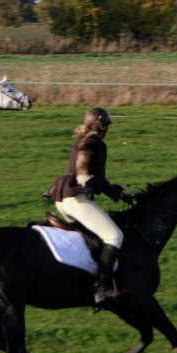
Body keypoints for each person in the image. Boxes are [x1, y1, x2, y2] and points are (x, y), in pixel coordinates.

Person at [48, 107, 134, 304]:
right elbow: (99, 181)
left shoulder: (82, 139)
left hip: (61, 198)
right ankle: (102, 289)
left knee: (94, 236)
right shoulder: (97, 143)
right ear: (102, 126)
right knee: (114, 235)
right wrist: (119, 195)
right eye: (107, 125)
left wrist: (114, 191)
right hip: (75, 200)